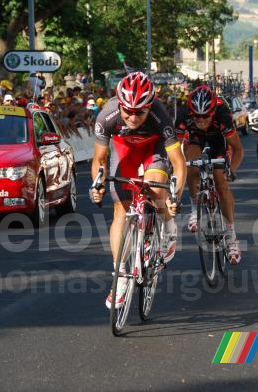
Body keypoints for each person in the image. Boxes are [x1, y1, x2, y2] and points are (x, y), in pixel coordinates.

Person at [89, 71, 186, 310]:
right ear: (119, 105)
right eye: (128, 111)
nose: (132, 117)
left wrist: (175, 196)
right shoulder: (106, 116)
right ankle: (120, 276)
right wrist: (97, 184)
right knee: (121, 210)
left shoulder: (160, 116)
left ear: (149, 107)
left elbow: (179, 163)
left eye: (139, 112)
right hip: (124, 151)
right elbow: (99, 159)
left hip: (153, 149)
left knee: (156, 189)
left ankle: (168, 229)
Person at [177, 85, 244, 264]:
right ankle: (194, 207)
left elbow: (238, 149)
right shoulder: (183, 113)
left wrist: (231, 170)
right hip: (195, 139)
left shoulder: (223, 114)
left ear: (213, 110)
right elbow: (173, 147)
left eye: (205, 116)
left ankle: (231, 237)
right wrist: (173, 167)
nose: (201, 120)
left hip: (218, 141)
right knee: (190, 166)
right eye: (196, 116)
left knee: (221, 182)